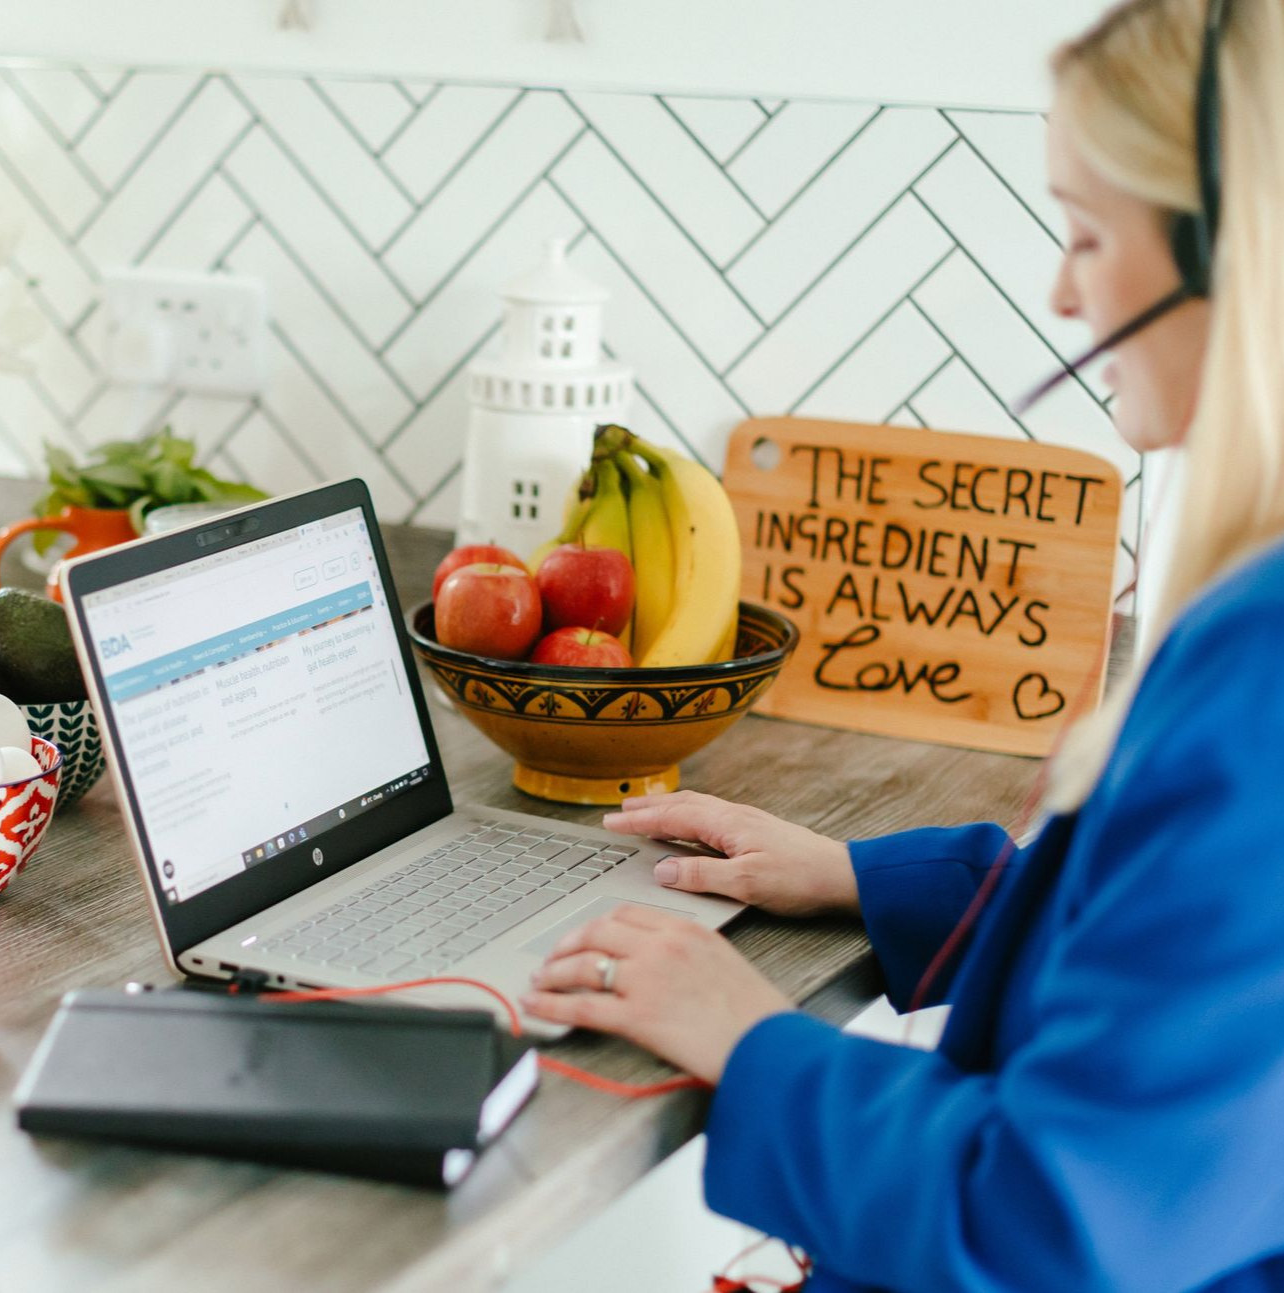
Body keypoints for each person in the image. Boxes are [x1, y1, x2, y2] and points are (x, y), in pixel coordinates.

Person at [520, 0, 1284, 1288]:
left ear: (1231, 258)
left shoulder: (1260, 679)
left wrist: (751, 1036)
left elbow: (1045, 1231)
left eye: (1090, 234)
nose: (1062, 287)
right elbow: (1169, 964)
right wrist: (865, 879)